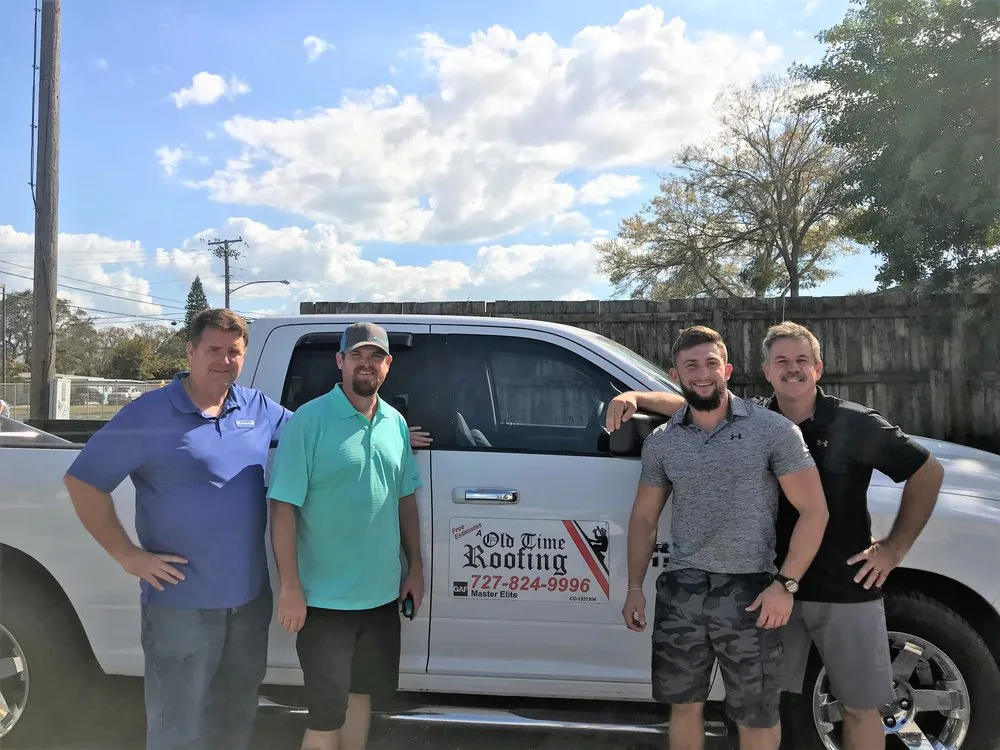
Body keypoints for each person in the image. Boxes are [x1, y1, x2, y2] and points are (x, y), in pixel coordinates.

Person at [608, 320, 944, 750]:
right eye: (781, 361)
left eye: (802, 360)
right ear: (765, 370)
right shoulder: (751, 418)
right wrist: (635, 396)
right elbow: (697, 398)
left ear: (818, 368)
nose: (792, 369)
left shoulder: (847, 425)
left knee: (859, 706)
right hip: (763, 591)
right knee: (764, 706)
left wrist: (894, 547)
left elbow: (926, 472)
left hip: (838, 587)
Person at [62, 308, 290, 750]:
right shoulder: (149, 413)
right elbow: (83, 482)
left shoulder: (256, 407)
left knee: (234, 718)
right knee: (178, 729)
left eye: (234, 352)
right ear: (190, 351)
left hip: (248, 604)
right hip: (182, 607)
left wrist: (379, 425)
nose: (224, 360)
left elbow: (314, 435)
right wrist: (128, 555)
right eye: (214, 350)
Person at [622, 325, 828, 750]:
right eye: (690, 365)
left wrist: (785, 585)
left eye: (711, 364)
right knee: (684, 706)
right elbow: (644, 518)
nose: (702, 374)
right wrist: (633, 588)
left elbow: (814, 511)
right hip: (683, 591)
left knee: (756, 711)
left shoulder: (772, 431)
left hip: (751, 591)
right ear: (675, 373)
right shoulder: (662, 443)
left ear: (727, 369)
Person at [267, 321, 424, 750]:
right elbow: (282, 508)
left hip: (380, 598)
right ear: (340, 361)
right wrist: (291, 587)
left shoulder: (395, 423)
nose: (366, 364)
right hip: (323, 602)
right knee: (325, 713)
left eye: (376, 356)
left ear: (388, 365)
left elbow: (405, 500)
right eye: (357, 355)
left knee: (360, 699)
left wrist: (415, 570)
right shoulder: (309, 421)